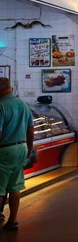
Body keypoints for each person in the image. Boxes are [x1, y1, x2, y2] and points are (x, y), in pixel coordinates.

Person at [0, 78, 33, 232]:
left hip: (4, 150)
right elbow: (30, 130)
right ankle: (13, 220)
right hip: (21, 148)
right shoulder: (23, 104)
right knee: (14, 187)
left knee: (0, 188)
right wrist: (29, 149)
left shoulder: (1, 105)